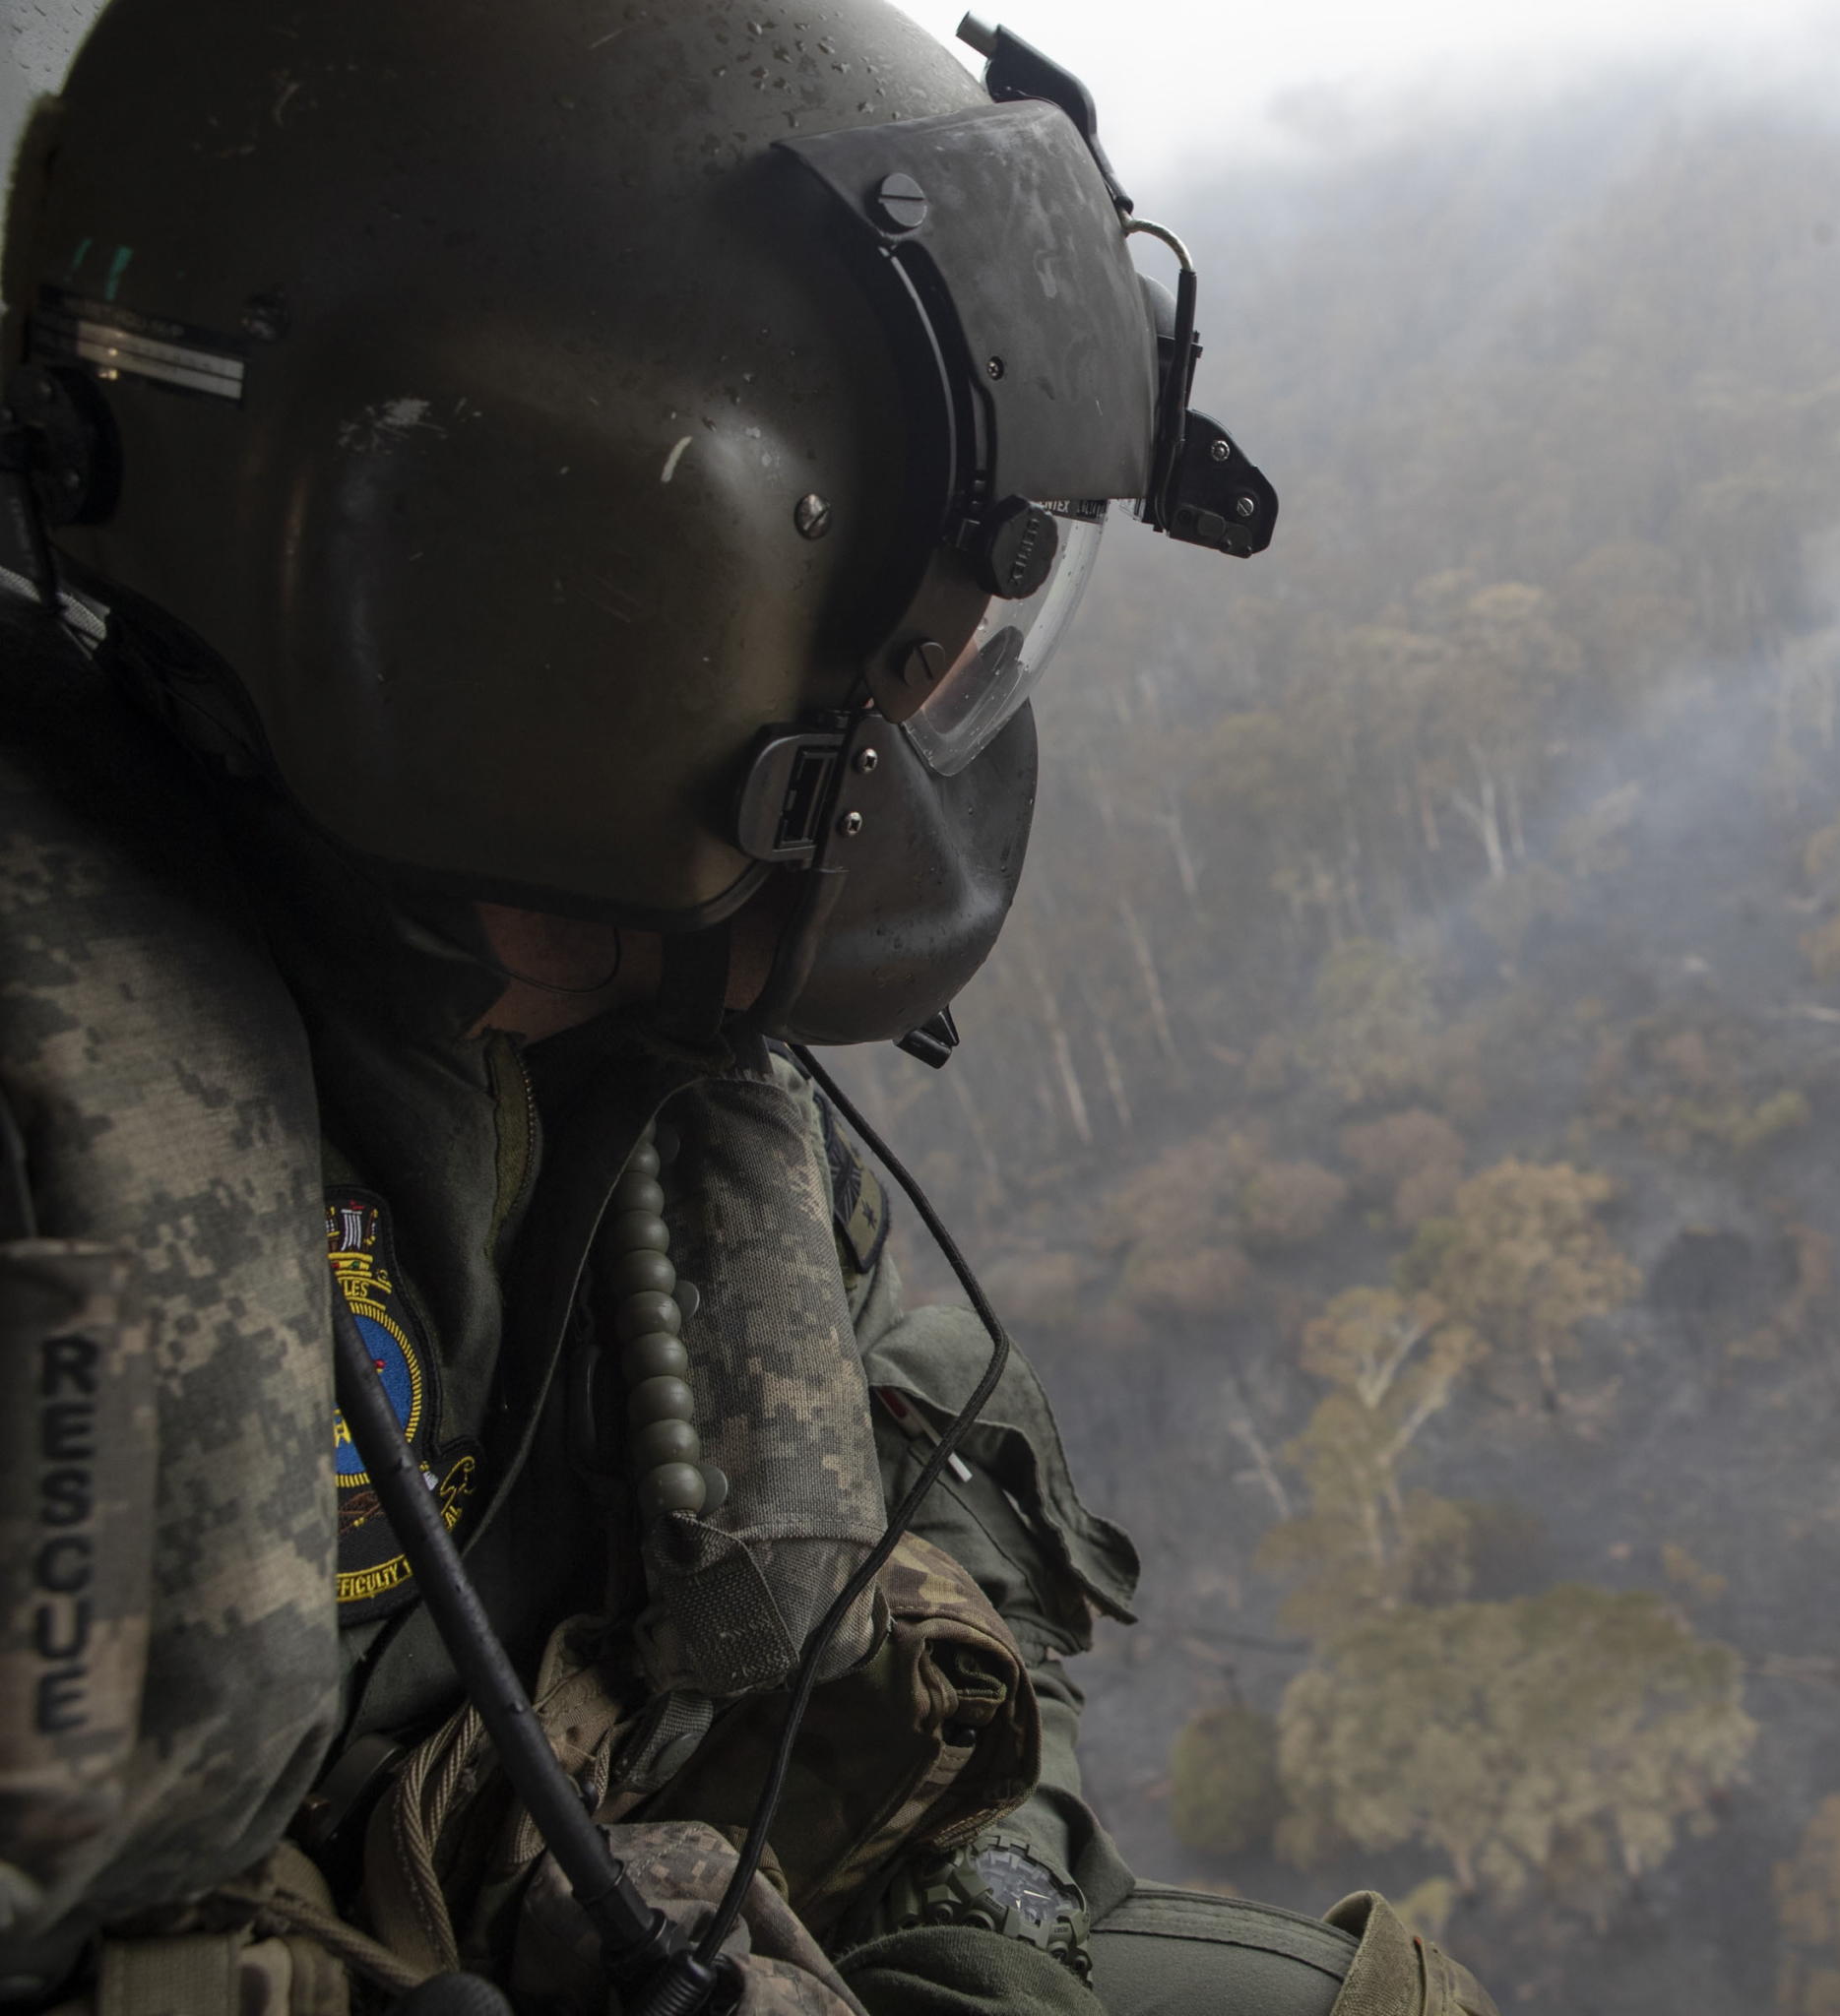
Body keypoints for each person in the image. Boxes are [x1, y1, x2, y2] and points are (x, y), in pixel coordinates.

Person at [0, 3, 1488, 2011]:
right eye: (917, 640)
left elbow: (938, 1682)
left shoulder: (659, 1098)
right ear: (571, 611)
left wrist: (990, 1948)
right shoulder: (62, 1163)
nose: (952, 711)